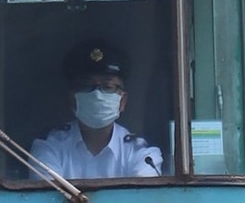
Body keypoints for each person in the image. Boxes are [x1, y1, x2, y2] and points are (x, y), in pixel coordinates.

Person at [30, 39, 163, 180]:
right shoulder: (50, 147)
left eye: (108, 87)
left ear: (123, 101)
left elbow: (142, 199)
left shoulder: (141, 152)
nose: (97, 95)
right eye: (86, 86)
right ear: (72, 99)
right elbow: (48, 199)